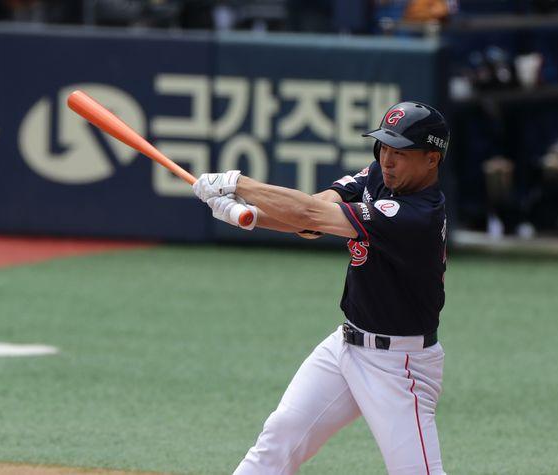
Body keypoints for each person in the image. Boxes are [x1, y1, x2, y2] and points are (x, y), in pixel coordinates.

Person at [193, 101, 450, 475]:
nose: (388, 160)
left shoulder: (418, 216)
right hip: (344, 348)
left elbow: (310, 216)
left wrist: (239, 184)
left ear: (431, 159)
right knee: (279, 439)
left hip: (400, 366)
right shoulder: (381, 176)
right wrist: (248, 216)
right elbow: (314, 214)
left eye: (401, 153)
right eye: (384, 148)